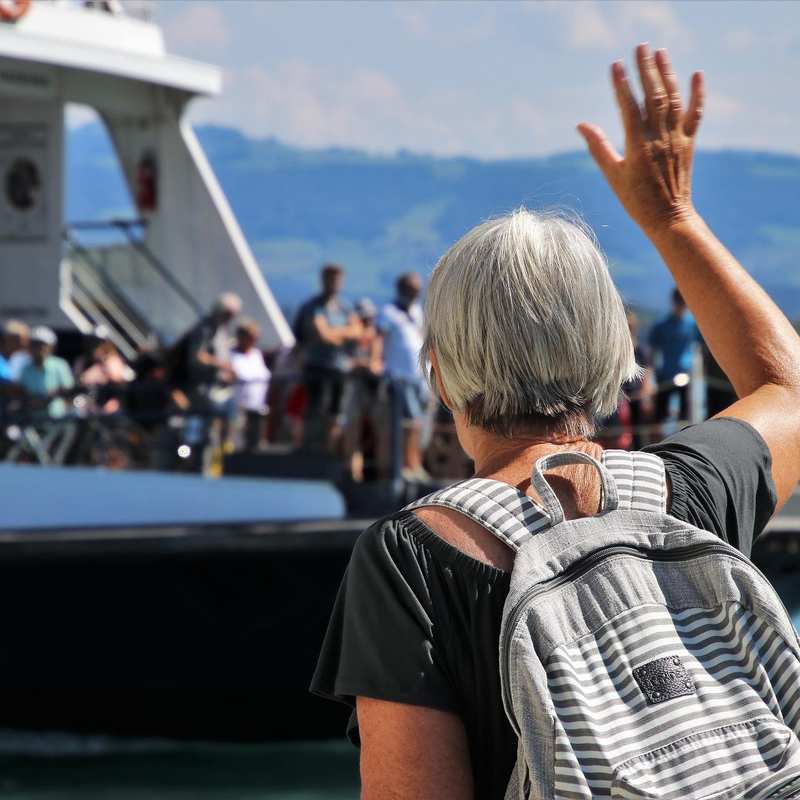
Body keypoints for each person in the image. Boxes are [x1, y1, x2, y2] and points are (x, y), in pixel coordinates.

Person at [311, 46, 800, 798]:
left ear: (439, 370)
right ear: (615, 350)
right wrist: (672, 219)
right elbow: (787, 386)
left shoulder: (409, 558)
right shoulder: (684, 499)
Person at [294, 264, 362, 452]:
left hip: (339, 368)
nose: (334, 283)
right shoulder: (312, 307)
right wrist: (343, 333)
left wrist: (336, 333)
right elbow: (323, 334)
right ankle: (307, 449)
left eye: (337, 279)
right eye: (330, 279)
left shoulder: (345, 307)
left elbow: (357, 331)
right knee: (314, 409)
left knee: (336, 413)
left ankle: (329, 450)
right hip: (317, 367)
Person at [375, 273, 430, 481]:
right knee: (412, 421)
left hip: (419, 376)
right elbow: (380, 338)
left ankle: (414, 462)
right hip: (399, 376)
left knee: (420, 422)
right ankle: (408, 465)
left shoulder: (417, 311)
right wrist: (375, 361)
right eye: (410, 290)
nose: (414, 294)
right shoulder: (388, 312)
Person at [649, 287, 700, 423]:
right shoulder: (661, 325)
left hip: (685, 374)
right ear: (674, 303)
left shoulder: (692, 324)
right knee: (660, 415)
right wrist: (650, 378)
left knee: (685, 414)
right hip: (665, 374)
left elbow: (700, 347)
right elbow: (652, 351)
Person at [230, 318, 270, 451]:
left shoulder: (256, 354)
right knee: (236, 445)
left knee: (254, 446)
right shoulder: (230, 354)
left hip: (258, 408)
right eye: (250, 336)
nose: (254, 340)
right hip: (238, 409)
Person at [19, 326, 75, 418]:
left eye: (42, 344)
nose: (39, 348)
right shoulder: (26, 368)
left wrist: (48, 398)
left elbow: (68, 390)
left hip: (58, 417)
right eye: (35, 344)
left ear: (51, 347)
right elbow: (22, 392)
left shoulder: (60, 365)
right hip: (32, 418)